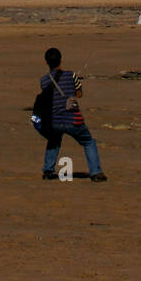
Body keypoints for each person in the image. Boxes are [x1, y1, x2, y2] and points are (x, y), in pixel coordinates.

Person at [39, 47, 107, 182]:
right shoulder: (72, 75)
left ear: (47, 62)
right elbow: (79, 94)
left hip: (54, 120)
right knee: (88, 142)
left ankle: (48, 171)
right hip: (72, 119)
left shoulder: (44, 80)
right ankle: (96, 172)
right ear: (60, 60)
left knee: (54, 141)